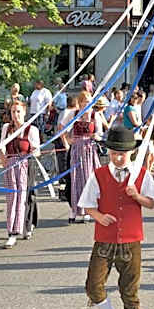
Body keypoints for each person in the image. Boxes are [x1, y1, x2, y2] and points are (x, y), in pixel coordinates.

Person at [81, 126, 154, 309]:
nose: (118, 157)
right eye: (114, 153)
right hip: (104, 240)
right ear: (108, 152)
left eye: (122, 154)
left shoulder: (141, 175)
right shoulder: (98, 174)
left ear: (131, 153)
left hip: (131, 240)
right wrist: (99, 216)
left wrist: (136, 196)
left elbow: (152, 203)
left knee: (130, 290)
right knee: (93, 286)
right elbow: (87, 203)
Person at [0, 100, 41, 247]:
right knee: (12, 198)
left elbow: (37, 152)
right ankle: (11, 232)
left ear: (24, 112)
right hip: (10, 166)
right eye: (13, 112)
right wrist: (3, 160)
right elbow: (2, 147)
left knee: (25, 196)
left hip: (25, 166)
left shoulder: (31, 130)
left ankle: (24, 226)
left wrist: (30, 152)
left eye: (18, 111)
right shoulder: (6, 128)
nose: (15, 115)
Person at [68, 91, 104, 224]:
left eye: (89, 101)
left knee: (88, 179)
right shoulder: (74, 114)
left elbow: (100, 133)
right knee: (76, 179)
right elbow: (65, 129)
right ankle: (75, 209)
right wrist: (68, 140)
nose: (86, 103)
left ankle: (88, 210)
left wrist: (96, 136)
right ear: (80, 102)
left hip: (89, 150)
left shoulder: (95, 115)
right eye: (84, 101)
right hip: (77, 150)